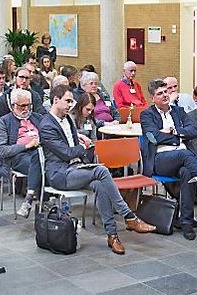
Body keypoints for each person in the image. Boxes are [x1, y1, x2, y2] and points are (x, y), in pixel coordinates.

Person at [40, 85, 156, 254]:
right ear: (55, 100)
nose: (70, 104)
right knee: (101, 171)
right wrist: (85, 146)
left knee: (101, 185)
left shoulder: (68, 119)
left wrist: (80, 145)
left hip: (76, 167)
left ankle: (112, 235)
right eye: (67, 101)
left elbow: (71, 147)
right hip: (60, 174)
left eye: (71, 101)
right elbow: (65, 153)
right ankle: (129, 216)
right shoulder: (46, 125)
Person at [139, 78, 197, 240]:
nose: (164, 95)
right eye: (159, 93)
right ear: (152, 98)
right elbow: (153, 137)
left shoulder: (179, 111)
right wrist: (176, 138)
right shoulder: (146, 115)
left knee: (186, 172)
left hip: (182, 160)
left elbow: (194, 131)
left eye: (166, 92)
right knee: (184, 155)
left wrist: (173, 132)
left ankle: (186, 222)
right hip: (160, 160)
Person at [0, 88, 44, 218]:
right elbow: (1, 150)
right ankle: (45, 200)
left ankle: (29, 198)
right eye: (22, 106)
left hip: (40, 152)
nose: (26, 109)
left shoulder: (37, 118)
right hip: (18, 156)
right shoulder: (3, 122)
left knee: (42, 159)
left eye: (28, 105)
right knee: (42, 164)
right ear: (12, 106)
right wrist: (26, 145)